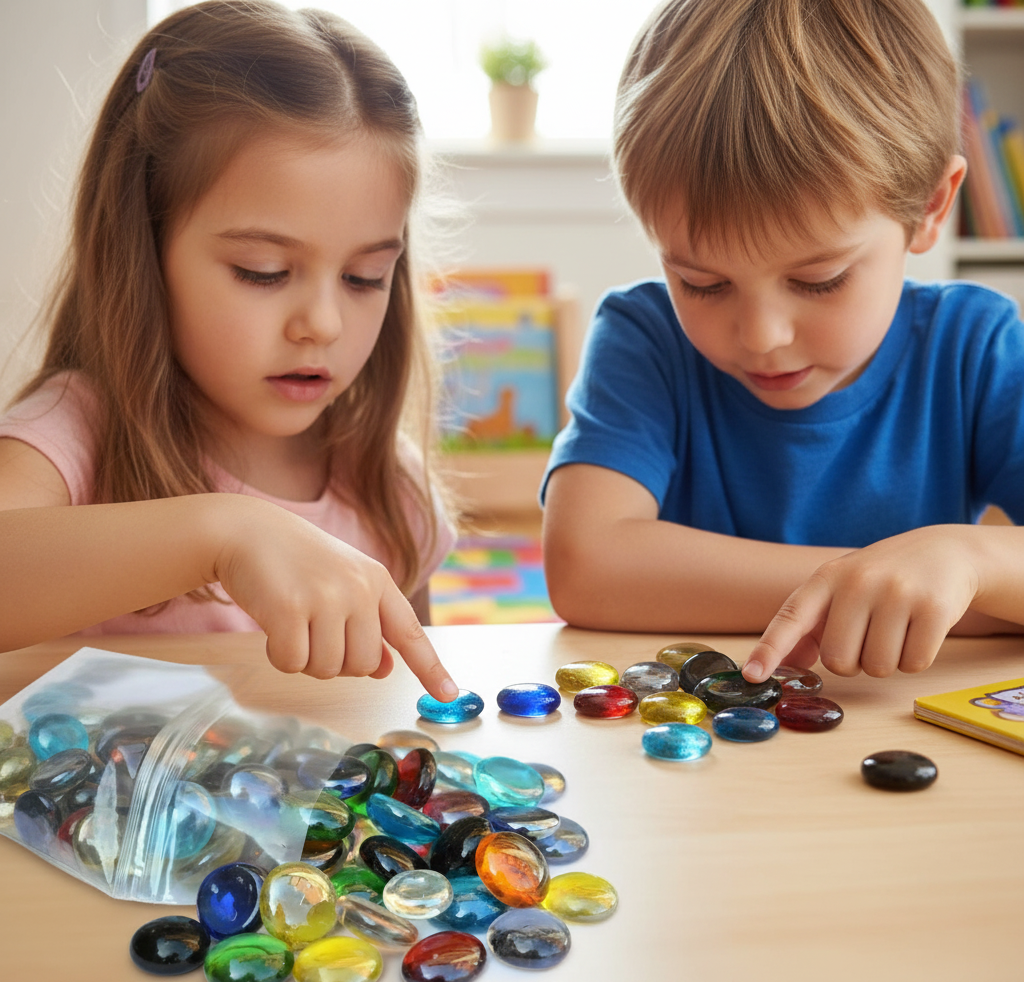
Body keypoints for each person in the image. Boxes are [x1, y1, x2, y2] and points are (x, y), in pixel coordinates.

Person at [542, 0, 1024, 684]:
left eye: (819, 280)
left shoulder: (975, 348)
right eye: (702, 283)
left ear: (931, 208)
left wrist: (970, 563)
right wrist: (874, 588)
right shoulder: (644, 337)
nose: (763, 337)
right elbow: (586, 566)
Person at [0, 1, 460, 700]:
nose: (324, 323)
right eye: (263, 272)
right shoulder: (75, 431)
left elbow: (407, 706)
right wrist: (224, 530)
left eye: (365, 277)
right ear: (143, 252)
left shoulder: (387, 488)